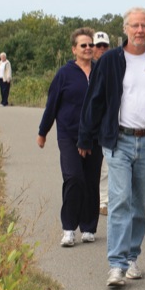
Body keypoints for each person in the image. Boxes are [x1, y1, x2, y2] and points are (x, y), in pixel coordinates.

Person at [78, 7, 145, 288]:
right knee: (119, 202)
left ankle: (131, 257)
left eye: (144, 25)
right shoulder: (111, 60)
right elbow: (95, 100)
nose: (140, 30)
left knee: (138, 205)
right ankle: (116, 265)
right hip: (119, 142)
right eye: (135, 25)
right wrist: (85, 137)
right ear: (125, 28)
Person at [38, 28, 104, 248]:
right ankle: (68, 228)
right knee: (74, 178)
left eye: (90, 45)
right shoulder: (64, 74)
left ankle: (88, 227)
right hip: (69, 135)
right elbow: (52, 105)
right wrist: (43, 132)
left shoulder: (100, 71)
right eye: (83, 45)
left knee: (91, 180)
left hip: (95, 136)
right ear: (74, 49)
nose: (88, 48)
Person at [92, 31, 111, 216]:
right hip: (90, 125)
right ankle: (92, 198)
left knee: (106, 166)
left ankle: (104, 201)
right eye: (98, 46)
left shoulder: (113, 67)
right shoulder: (86, 68)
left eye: (105, 46)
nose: (102, 49)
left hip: (107, 126)